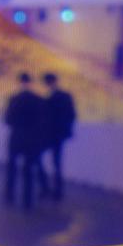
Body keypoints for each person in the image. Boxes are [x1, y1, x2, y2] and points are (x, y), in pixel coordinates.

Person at [3, 72, 43, 209]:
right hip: (32, 139)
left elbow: (7, 120)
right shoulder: (38, 99)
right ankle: (27, 201)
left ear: (20, 82)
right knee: (28, 170)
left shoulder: (14, 99)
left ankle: (9, 195)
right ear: (31, 82)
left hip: (16, 137)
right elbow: (43, 121)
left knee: (12, 167)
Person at [42, 72, 76, 200]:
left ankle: (47, 188)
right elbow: (72, 115)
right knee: (56, 162)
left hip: (51, 134)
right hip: (58, 134)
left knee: (40, 159)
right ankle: (57, 190)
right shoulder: (66, 96)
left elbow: (47, 116)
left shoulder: (50, 98)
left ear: (47, 83)